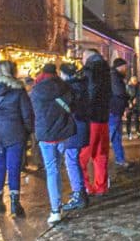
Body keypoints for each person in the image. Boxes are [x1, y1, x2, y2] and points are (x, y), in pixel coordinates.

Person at [0, 60, 33, 217]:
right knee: (14, 167)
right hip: (15, 133)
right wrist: (28, 131)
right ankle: (15, 204)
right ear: (13, 71)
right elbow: (27, 114)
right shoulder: (19, 91)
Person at [29, 64, 76, 225]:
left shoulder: (36, 90)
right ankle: (61, 202)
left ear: (42, 73)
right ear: (55, 73)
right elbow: (72, 106)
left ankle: (55, 209)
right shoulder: (64, 86)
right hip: (63, 133)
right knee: (61, 166)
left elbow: (32, 113)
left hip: (45, 134)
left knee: (52, 170)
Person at [78, 49, 112, 197]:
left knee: (81, 157)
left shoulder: (90, 71)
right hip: (103, 118)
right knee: (101, 154)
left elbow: (90, 93)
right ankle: (101, 186)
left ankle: (85, 187)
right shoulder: (106, 71)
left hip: (91, 119)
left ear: (87, 57)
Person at [59, 63, 89, 211]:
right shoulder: (83, 85)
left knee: (71, 159)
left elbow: (68, 107)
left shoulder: (69, 89)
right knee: (74, 158)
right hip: (82, 124)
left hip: (74, 126)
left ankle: (79, 194)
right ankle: (80, 192)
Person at [109, 58, 131, 168]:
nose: (126, 69)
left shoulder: (117, 77)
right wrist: (128, 96)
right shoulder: (114, 77)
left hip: (116, 111)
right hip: (113, 110)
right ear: (120, 67)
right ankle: (99, 159)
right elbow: (119, 92)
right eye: (125, 67)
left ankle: (120, 159)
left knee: (116, 136)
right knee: (111, 135)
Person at [125, 76, 140, 140]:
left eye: (136, 80)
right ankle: (129, 133)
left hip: (136, 105)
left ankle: (138, 132)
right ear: (131, 81)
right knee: (128, 120)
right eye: (134, 80)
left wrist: (137, 100)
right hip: (129, 106)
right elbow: (126, 96)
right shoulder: (128, 87)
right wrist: (130, 102)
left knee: (137, 119)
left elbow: (139, 95)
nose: (135, 82)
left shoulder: (138, 87)